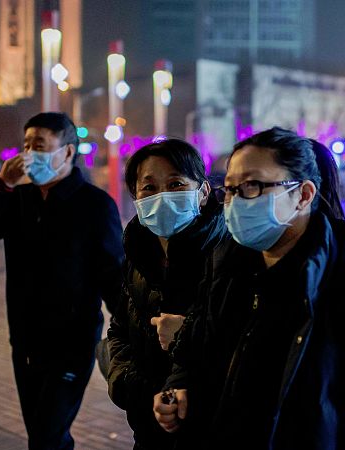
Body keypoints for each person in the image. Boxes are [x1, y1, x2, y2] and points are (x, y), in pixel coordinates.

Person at [154, 128, 345, 449]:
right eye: (229, 189)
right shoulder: (227, 268)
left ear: (303, 195)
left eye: (252, 186)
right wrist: (178, 387)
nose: (234, 201)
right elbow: (195, 352)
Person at [0, 112, 124, 449]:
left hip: (71, 343)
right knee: (42, 433)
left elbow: (112, 275)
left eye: (39, 145)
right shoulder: (18, 199)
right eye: (25, 145)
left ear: (67, 152)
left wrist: (129, 331)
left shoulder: (95, 205)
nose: (28, 153)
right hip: (24, 340)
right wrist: (1, 186)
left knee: (46, 436)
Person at [106, 139, 228, 450]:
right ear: (135, 196)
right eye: (149, 188)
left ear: (201, 193)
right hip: (146, 425)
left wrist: (186, 338)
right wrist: (132, 389)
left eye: (175, 184)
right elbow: (119, 331)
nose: (162, 196)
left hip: (209, 428)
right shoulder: (136, 256)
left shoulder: (229, 256)